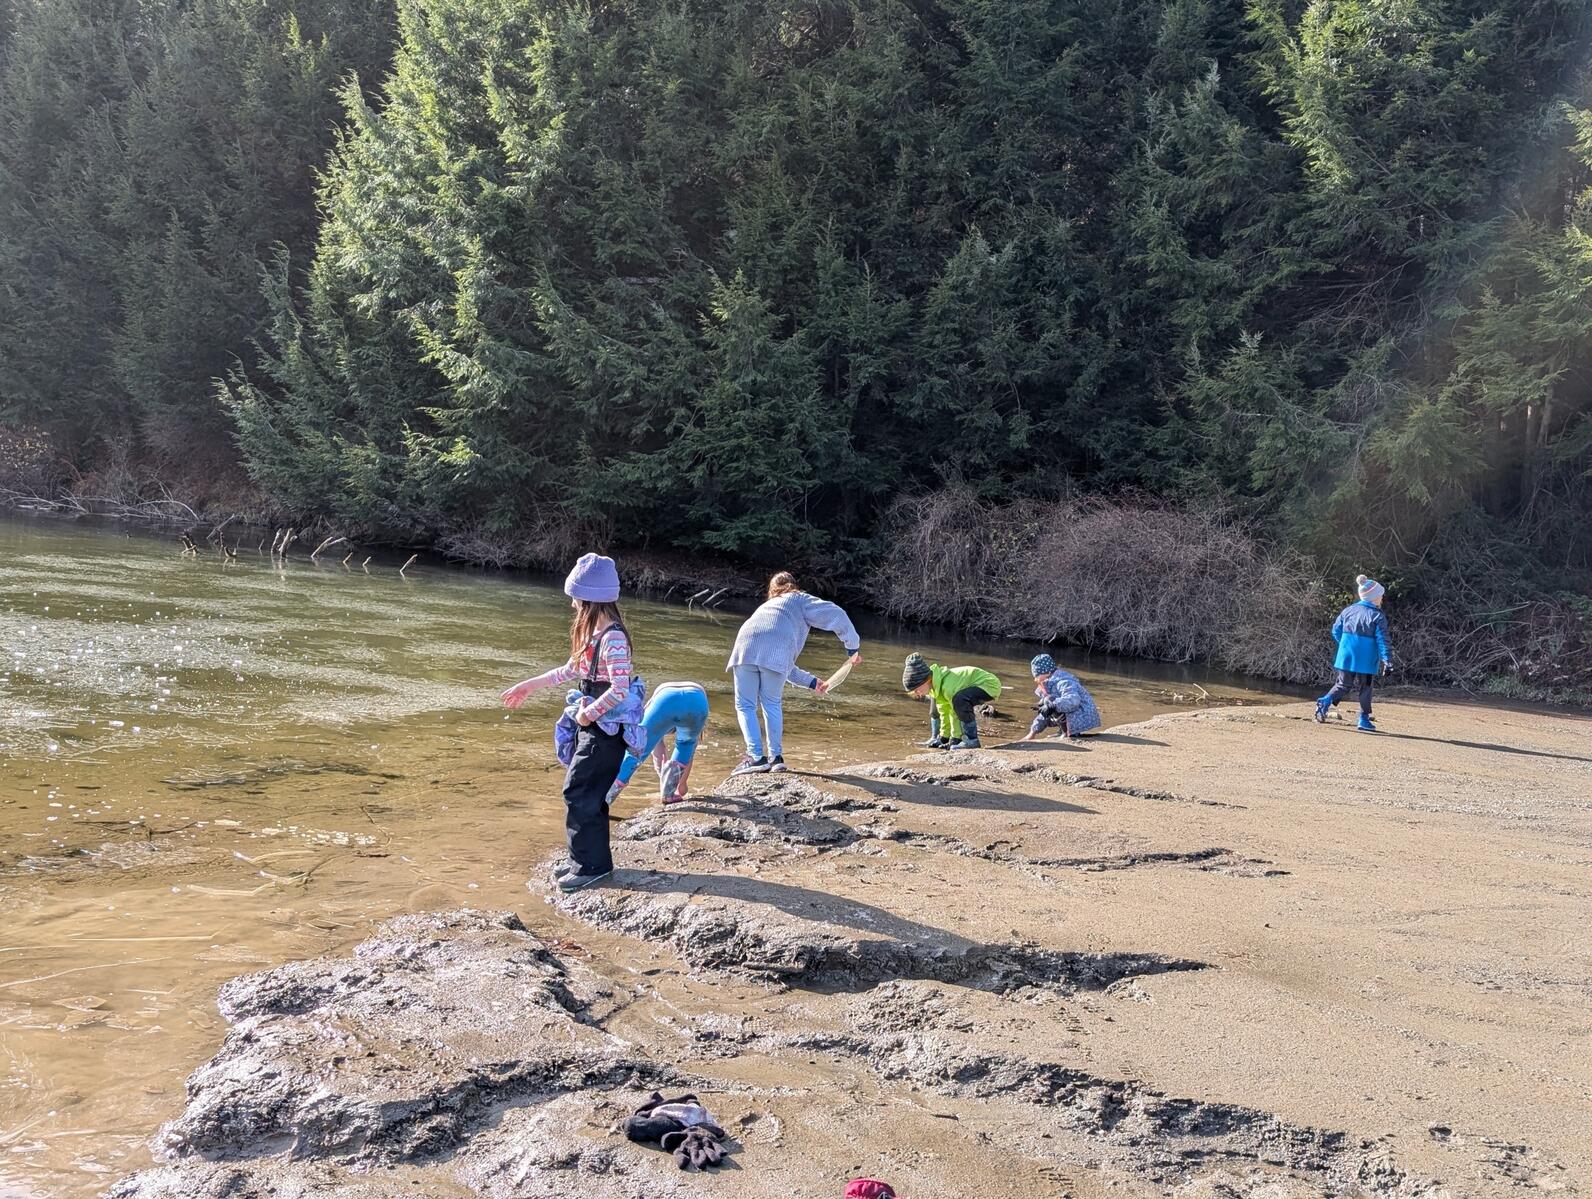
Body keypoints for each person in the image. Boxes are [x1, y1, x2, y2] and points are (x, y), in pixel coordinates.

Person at [501, 552, 640, 891]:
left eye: (575, 598)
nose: (573, 605)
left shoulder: (613, 639)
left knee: (580, 791)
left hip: (607, 731)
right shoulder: (593, 634)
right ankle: (583, 860)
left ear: (590, 599)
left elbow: (620, 689)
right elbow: (568, 671)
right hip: (592, 725)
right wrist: (528, 686)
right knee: (583, 790)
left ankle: (592, 866)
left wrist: (588, 712)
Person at [726, 571, 861, 775]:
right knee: (771, 702)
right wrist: (852, 647)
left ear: (772, 590)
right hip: (769, 649)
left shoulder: (767, 607)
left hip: (745, 643)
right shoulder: (798, 599)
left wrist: (813, 682)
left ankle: (755, 758)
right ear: (793, 585)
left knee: (745, 705)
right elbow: (836, 614)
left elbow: (783, 665)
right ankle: (775, 758)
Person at [605, 682, 710, 807]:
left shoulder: (660, 720)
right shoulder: (695, 725)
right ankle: (668, 795)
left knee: (636, 752)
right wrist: (679, 785)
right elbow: (688, 756)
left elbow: (658, 754)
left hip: (665, 699)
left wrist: (663, 775)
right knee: (686, 745)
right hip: (697, 700)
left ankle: (605, 799)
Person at [1314, 574, 1393, 733]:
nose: (1382, 599)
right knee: (1365, 687)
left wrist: (1344, 646)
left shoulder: (1348, 610)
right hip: (1367, 658)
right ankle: (1363, 719)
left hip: (1346, 655)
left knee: (1342, 685)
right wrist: (1387, 660)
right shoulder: (1378, 615)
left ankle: (1325, 702)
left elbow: (1336, 630)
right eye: (1380, 596)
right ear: (1373, 598)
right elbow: (1382, 640)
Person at [902, 652, 1002, 749]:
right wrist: (943, 738)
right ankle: (947, 738)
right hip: (976, 685)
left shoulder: (947, 686)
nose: (918, 694)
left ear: (926, 680)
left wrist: (955, 739)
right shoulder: (935, 687)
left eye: (917, 690)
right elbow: (944, 712)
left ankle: (972, 741)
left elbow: (954, 712)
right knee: (949, 705)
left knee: (959, 700)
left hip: (988, 684)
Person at [1021, 653, 1101, 741]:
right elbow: (1045, 713)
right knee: (1046, 703)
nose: (1035, 679)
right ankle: (1062, 731)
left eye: (1037, 675)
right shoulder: (1048, 684)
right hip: (1075, 715)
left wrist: (1052, 705)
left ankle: (1067, 732)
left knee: (1050, 702)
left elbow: (1073, 700)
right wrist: (1033, 732)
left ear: (1048, 672)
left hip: (1084, 716)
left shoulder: (1064, 682)